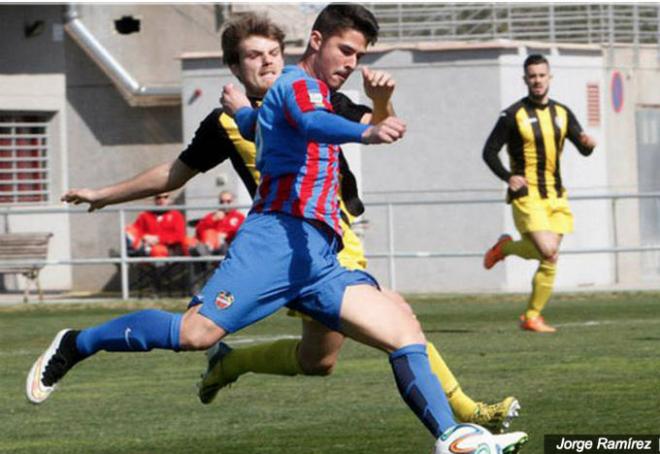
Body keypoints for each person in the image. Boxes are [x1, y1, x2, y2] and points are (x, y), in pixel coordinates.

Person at [27, 7, 526, 451]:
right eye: (344, 50)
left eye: (358, 54)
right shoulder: (298, 88)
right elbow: (309, 124)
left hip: (321, 254)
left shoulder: (293, 94)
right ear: (316, 41)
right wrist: (365, 131)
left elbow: (267, 125)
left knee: (400, 331)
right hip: (275, 240)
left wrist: (368, 109)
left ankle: (454, 437)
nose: (350, 62)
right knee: (197, 333)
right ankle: (79, 343)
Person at [195, 13, 520, 433]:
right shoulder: (225, 122)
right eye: (255, 56)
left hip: (334, 232)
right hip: (287, 244)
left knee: (320, 360)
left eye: (274, 53)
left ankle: (230, 361)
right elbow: (175, 173)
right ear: (235, 68)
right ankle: (463, 413)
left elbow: (378, 123)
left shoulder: (315, 94)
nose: (268, 62)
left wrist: (381, 101)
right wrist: (103, 195)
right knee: (392, 322)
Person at [482, 54, 596, 333]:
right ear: (525, 80)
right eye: (532, 76)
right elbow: (489, 152)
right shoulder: (512, 115)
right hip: (527, 195)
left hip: (556, 196)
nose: (537, 80)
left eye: (541, 75)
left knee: (549, 256)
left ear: (549, 78)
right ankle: (506, 249)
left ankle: (531, 315)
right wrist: (508, 177)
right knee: (548, 249)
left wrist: (588, 144)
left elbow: (583, 147)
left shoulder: (563, 113)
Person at [125, 192, 194, 257]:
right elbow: (136, 230)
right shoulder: (145, 215)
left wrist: (158, 239)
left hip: (173, 248)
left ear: (169, 199)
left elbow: (180, 235)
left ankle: (196, 268)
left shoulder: (176, 215)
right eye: (158, 197)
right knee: (129, 229)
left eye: (165, 197)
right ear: (155, 200)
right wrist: (144, 237)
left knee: (190, 242)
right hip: (151, 248)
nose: (162, 200)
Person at [194, 191, 245, 256]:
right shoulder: (212, 216)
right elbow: (198, 231)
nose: (225, 204)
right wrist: (213, 220)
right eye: (222, 202)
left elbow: (242, 234)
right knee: (197, 248)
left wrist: (226, 235)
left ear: (233, 202)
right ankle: (209, 263)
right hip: (211, 246)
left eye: (228, 201)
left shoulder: (240, 217)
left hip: (229, 246)